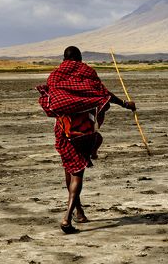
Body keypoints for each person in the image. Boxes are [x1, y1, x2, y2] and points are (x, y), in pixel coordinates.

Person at [36, 45, 136, 234]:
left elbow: (53, 99)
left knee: (70, 168)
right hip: (83, 131)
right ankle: (67, 218)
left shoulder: (55, 75)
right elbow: (104, 95)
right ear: (80, 59)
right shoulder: (87, 73)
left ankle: (80, 213)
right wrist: (125, 104)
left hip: (64, 131)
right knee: (77, 174)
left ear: (64, 59)